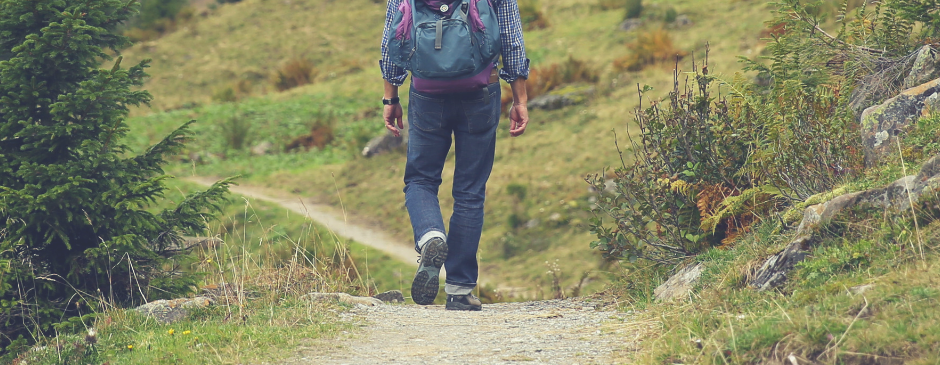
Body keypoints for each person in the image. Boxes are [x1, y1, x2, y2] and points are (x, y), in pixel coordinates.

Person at [379, 0, 530, 311]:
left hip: (426, 93)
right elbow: (512, 40)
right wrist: (520, 99)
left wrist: (390, 97)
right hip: (480, 92)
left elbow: (391, 41)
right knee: (470, 190)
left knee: (420, 180)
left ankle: (431, 236)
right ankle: (460, 290)